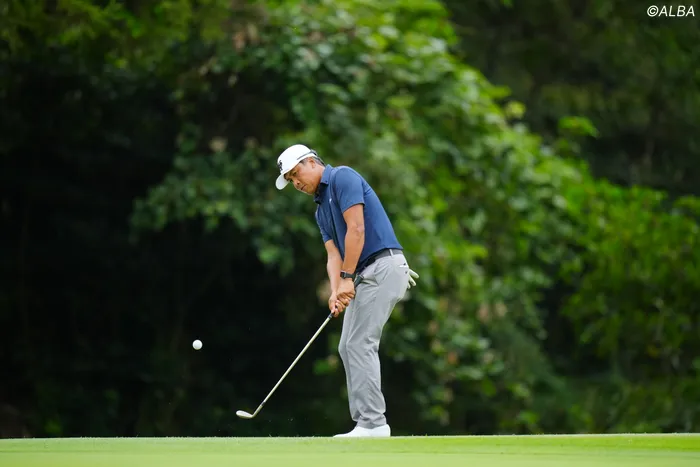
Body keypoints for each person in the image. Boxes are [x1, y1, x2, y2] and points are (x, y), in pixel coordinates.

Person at [275, 143, 419, 438]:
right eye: (290, 179)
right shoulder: (320, 211)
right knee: (347, 346)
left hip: (381, 266)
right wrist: (336, 290)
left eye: (296, 173)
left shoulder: (342, 177)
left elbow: (357, 230)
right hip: (364, 273)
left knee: (360, 343)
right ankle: (366, 422)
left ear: (312, 161)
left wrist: (346, 278)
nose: (296, 182)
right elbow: (333, 255)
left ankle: (374, 424)